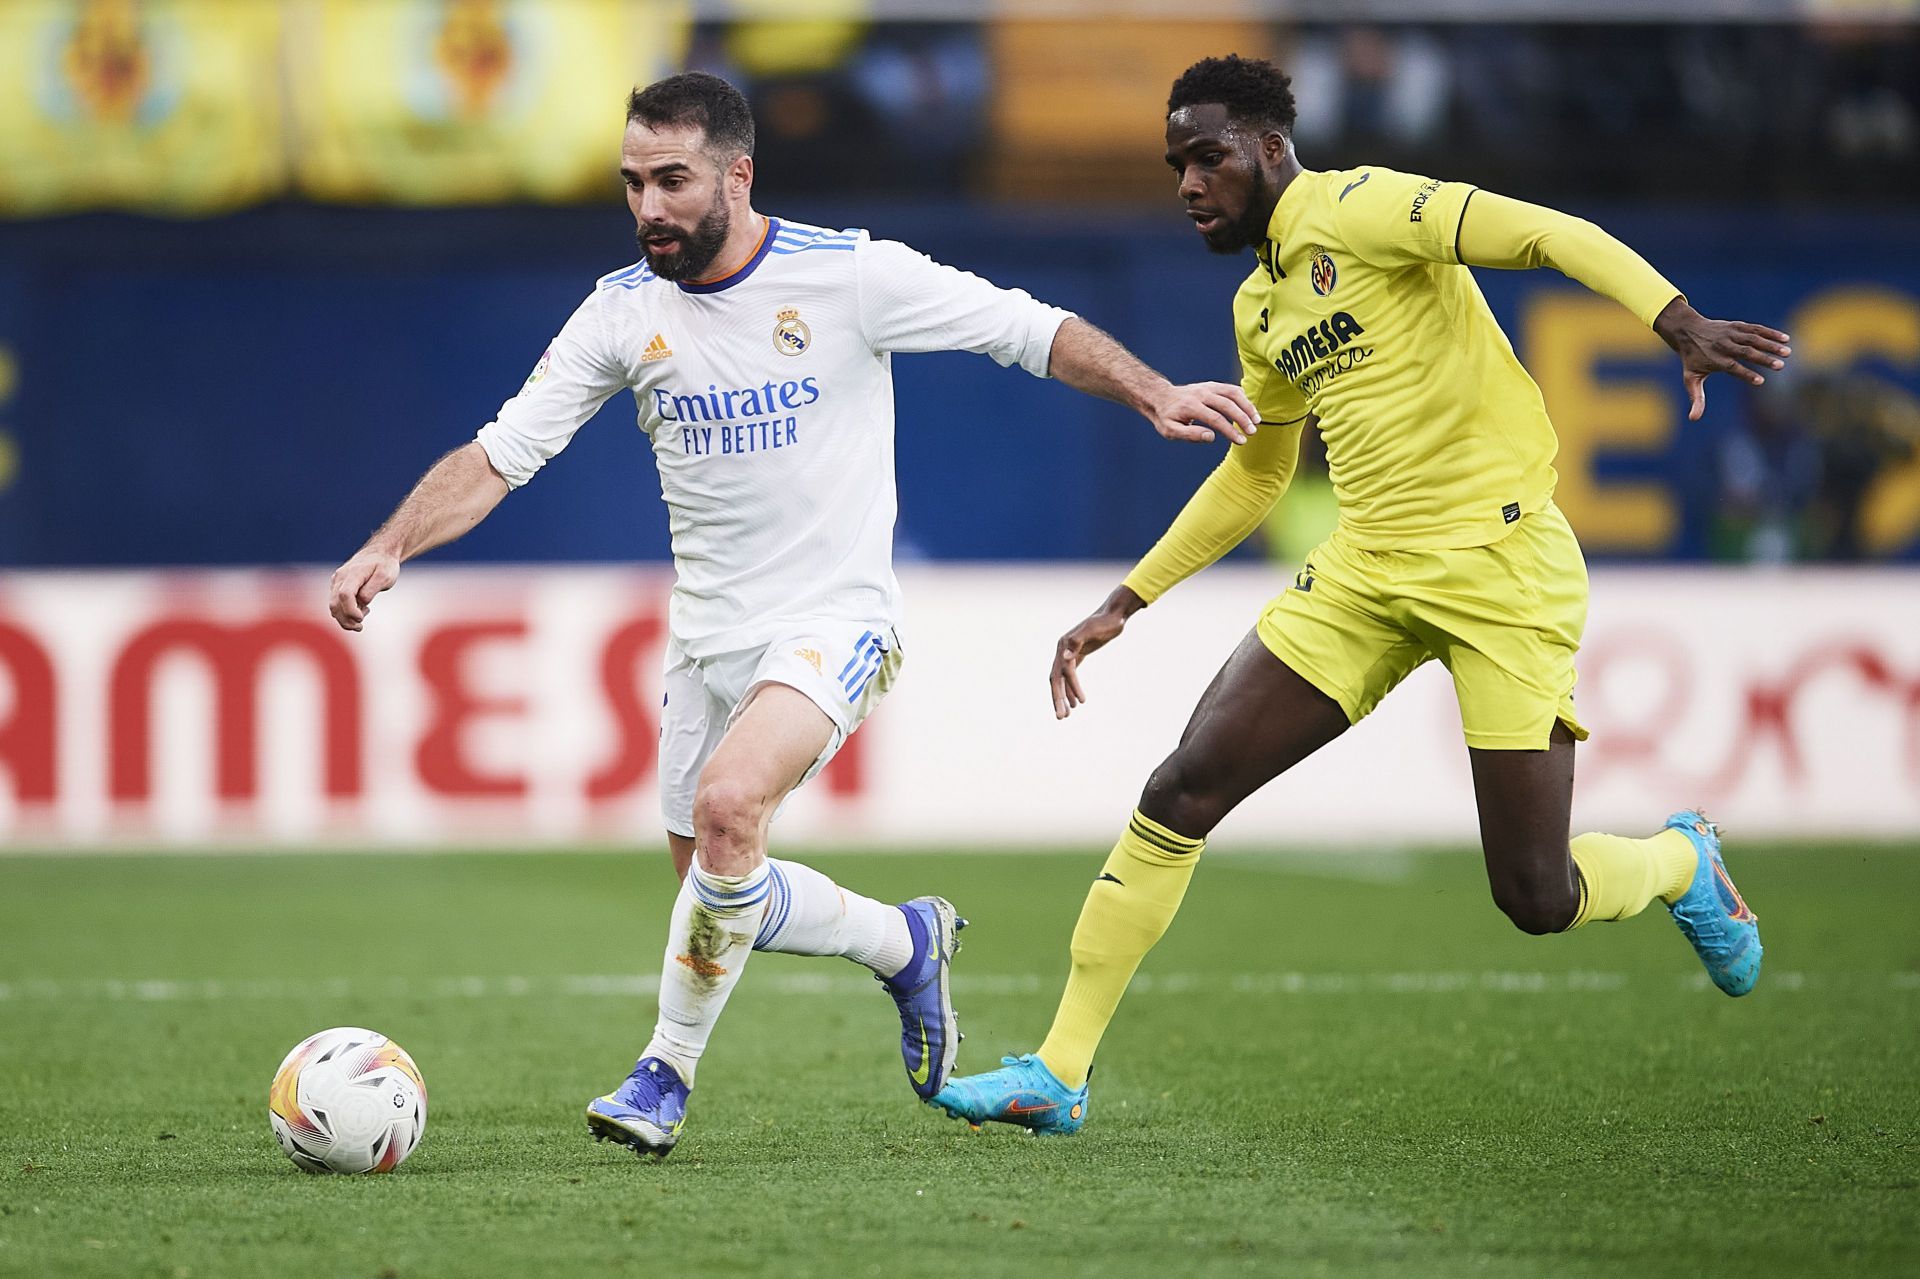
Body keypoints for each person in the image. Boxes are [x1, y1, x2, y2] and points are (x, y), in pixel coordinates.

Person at [325, 71, 1257, 1159]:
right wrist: (391, 542)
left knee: (728, 810)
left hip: (837, 618)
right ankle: (903, 942)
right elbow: (501, 454)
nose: (649, 208)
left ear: (737, 172)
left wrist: (1153, 392)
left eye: (671, 180)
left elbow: (1026, 327)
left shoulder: (850, 275)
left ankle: (661, 1077)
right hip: (706, 640)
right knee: (719, 890)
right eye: (632, 184)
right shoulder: (622, 312)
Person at [931, 54, 1789, 1135]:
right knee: (1181, 790)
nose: (1189, 184)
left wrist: (1676, 321)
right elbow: (1258, 470)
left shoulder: (1371, 208)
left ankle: (1678, 859)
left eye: (1207, 157)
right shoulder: (1263, 305)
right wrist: (1126, 600)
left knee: (1533, 895)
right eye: (1174, 165)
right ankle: (1060, 1070)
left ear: (1270, 148)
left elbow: (1544, 233)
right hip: (1367, 570)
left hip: (1502, 570)